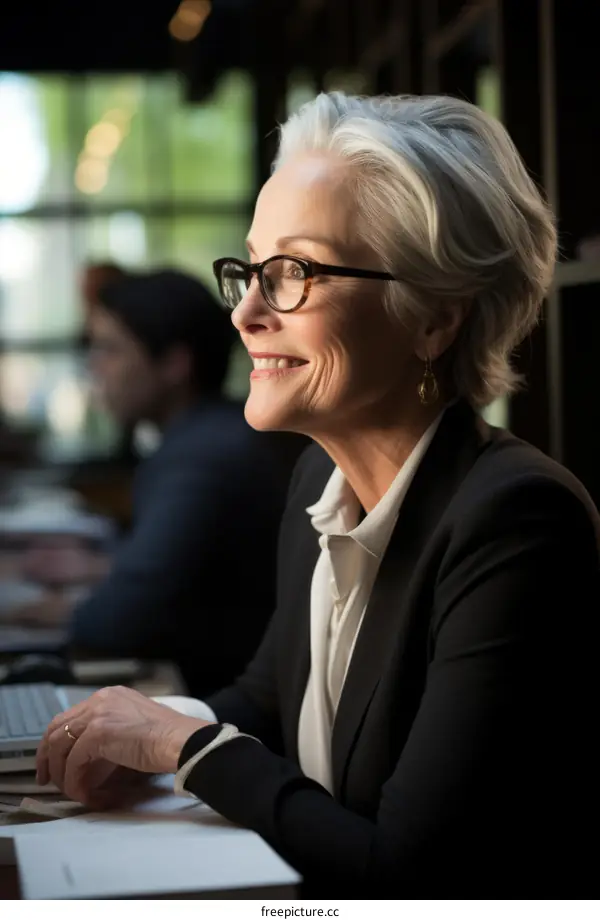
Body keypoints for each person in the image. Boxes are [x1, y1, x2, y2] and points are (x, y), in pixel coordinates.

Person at [37, 94, 599, 894]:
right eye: (250, 270)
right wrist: (149, 732)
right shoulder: (319, 476)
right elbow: (266, 697)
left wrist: (184, 751)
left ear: (434, 317)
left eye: (293, 272)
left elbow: (408, 876)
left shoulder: (517, 521)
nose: (246, 314)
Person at [16, 268, 295, 696]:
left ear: (174, 364)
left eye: (110, 349)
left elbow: (120, 620)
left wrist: (60, 609)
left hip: (226, 705)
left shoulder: (200, 457)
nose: (94, 367)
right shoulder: (213, 431)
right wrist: (102, 568)